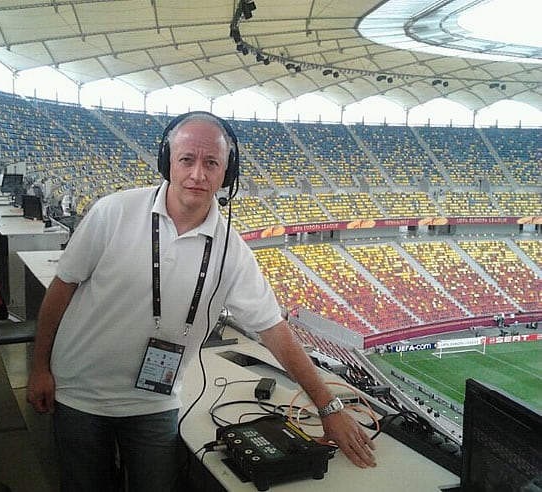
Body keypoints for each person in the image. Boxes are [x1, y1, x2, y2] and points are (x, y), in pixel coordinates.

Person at [26, 111, 376, 492]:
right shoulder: (114, 212)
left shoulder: (233, 251)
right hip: (80, 395)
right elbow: (62, 288)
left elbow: (273, 329)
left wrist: (328, 406)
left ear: (228, 171)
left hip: (154, 405)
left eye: (211, 163)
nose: (198, 174)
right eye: (186, 160)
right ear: (167, 162)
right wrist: (40, 366)